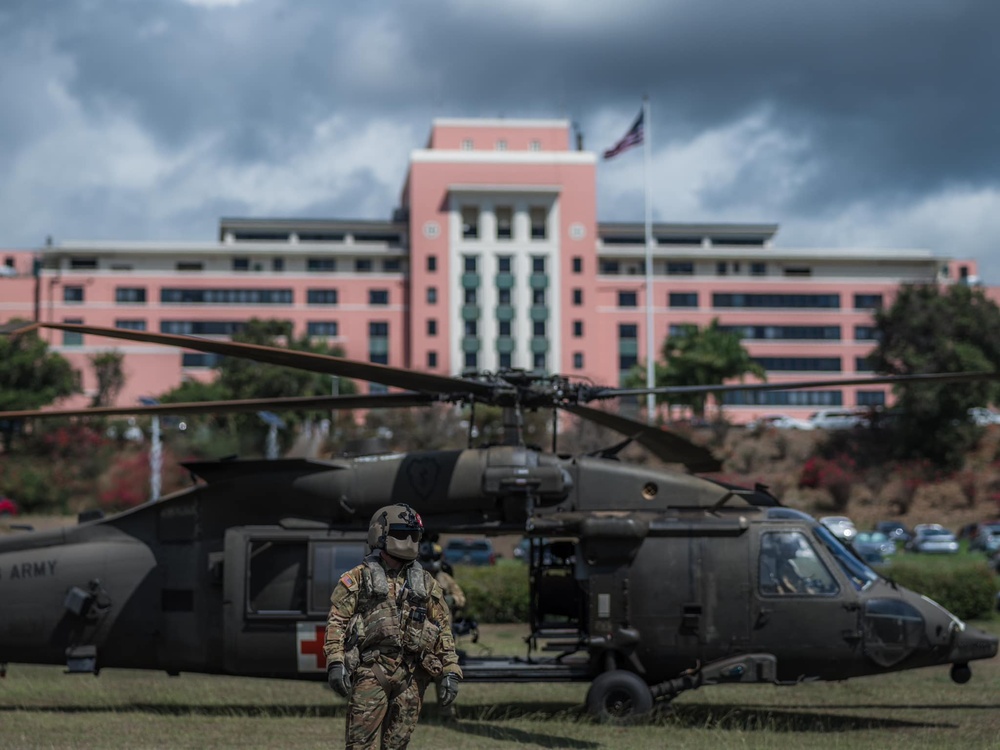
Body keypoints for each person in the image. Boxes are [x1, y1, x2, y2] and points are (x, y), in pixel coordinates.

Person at [324, 504, 462, 749]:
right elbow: (337, 621)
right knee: (359, 745)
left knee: (398, 745)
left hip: (412, 674)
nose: (409, 541)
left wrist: (450, 670)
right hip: (372, 670)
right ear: (381, 534)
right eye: (401, 534)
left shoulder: (426, 583)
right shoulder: (358, 577)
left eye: (414, 535)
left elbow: (442, 628)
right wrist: (336, 662)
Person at [416, 541, 468, 719]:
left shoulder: (445, 578)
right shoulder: (415, 577)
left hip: (442, 634)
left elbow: (461, 598)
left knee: (445, 672)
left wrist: (450, 600)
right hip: (418, 633)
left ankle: (446, 713)